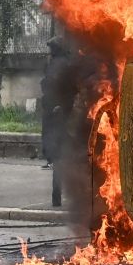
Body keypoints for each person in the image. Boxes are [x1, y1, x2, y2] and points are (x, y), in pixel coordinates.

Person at [40, 36, 78, 169]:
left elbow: (65, 87)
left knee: (58, 133)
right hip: (51, 104)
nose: (49, 50)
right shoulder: (54, 62)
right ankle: (52, 159)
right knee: (50, 133)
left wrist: (61, 104)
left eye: (51, 47)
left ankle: (58, 160)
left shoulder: (63, 64)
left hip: (59, 105)